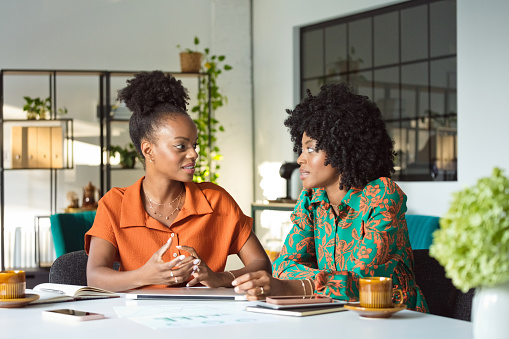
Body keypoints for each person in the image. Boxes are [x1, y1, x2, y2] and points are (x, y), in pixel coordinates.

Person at [232, 83, 428, 312]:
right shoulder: (311, 200)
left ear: (342, 147)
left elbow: (363, 283)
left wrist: (294, 286)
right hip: (336, 313)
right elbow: (284, 266)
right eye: (301, 149)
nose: (300, 159)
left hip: (397, 319)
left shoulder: (382, 195)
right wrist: (320, 282)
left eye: (311, 149)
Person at [85, 71, 271, 292]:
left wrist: (218, 277)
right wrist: (145, 275)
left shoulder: (216, 200)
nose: (194, 154)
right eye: (181, 146)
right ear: (148, 150)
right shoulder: (115, 204)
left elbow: (261, 265)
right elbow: (94, 278)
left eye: (195, 144)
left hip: (207, 320)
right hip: (137, 322)